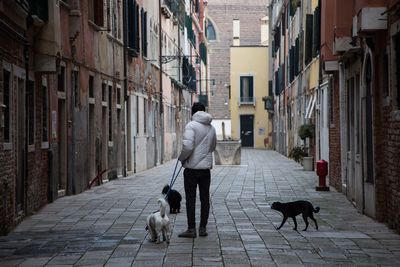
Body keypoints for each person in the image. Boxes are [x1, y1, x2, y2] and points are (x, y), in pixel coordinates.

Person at [178, 102, 217, 238]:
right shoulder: (211, 128)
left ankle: (191, 229)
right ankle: (202, 228)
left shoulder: (191, 126)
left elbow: (188, 147)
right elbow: (212, 147)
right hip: (205, 169)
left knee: (190, 199)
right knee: (205, 199)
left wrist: (182, 158)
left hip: (191, 169)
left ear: (192, 113)